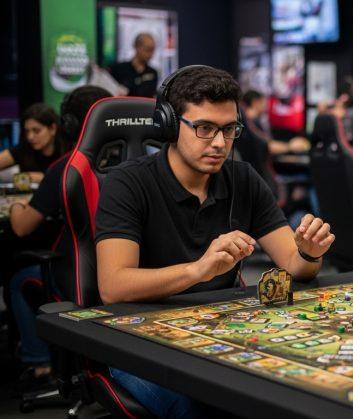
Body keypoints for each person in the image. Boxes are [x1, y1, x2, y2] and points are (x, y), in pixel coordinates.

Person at [94, 66, 335, 418]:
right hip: (139, 338)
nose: (220, 143)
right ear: (169, 125)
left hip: (220, 331)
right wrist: (198, 270)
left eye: (229, 129)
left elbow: (295, 265)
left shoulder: (243, 179)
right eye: (204, 128)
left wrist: (310, 253)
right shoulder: (127, 183)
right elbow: (113, 287)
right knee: (205, 407)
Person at [7, 86, 112, 393]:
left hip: (81, 280)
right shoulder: (140, 160)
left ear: (66, 125)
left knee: (19, 280)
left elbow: (22, 228)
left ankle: (40, 363)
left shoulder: (67, 167)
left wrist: (14, 206)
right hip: (128, 279)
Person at [0, 103, 65, 183]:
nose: (30, 137)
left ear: (52, 129)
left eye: (36, 131)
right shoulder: (24, 149)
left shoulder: (68, 150)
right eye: (27, 131)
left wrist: (43, 177)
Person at [108, 33, 159, 97]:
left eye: (153, 50)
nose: (151, 54)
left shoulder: (153, 73)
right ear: (137, 47)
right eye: (147, 49)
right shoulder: (118, 69)